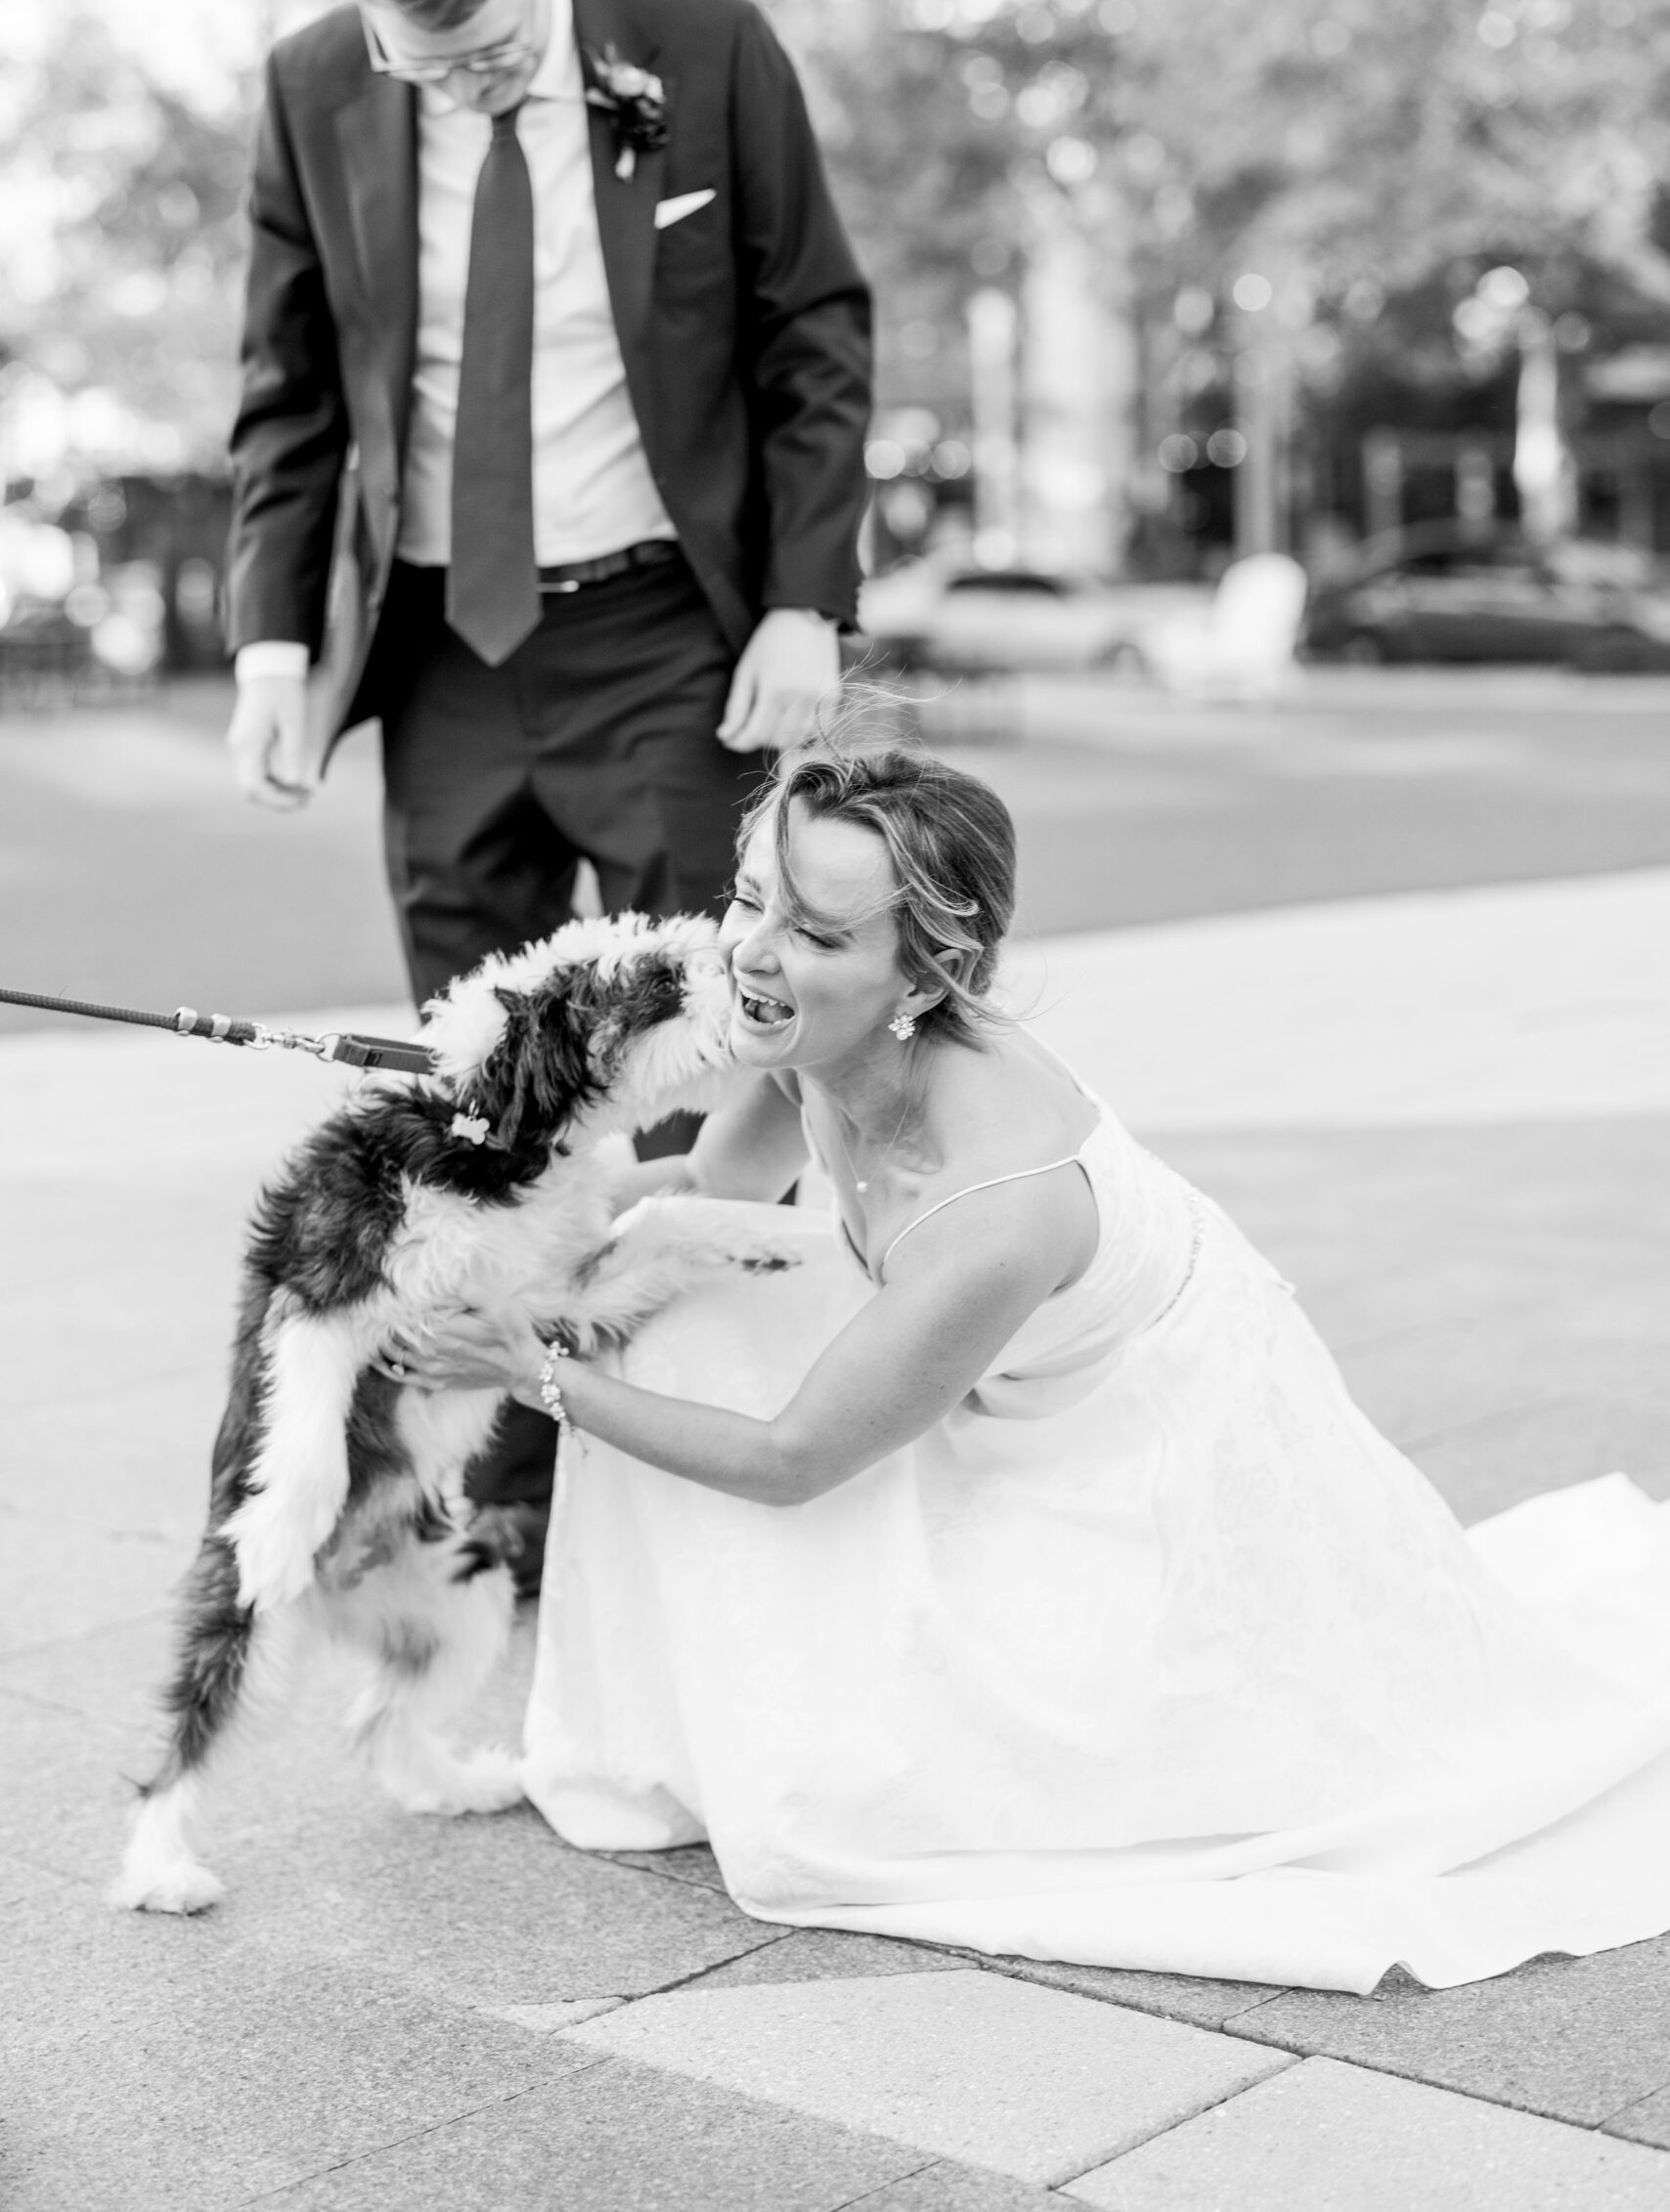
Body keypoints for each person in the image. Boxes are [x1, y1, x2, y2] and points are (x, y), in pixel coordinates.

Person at [395, 729, 1670, 1996]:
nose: (753, 952)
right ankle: (667, 1728)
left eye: (820, 935)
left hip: (1151, 1478)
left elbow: (793, 1461)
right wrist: (512, 1199)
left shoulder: (998, 1201)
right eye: (748, 899)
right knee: (664, 1284)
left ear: (922, 976)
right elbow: (712, 1186)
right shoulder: (803, 1035)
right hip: (999, 1383)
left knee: (658, 1385)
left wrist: (532, 1370)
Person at [222, 0, 870, 1573]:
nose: (461, 85)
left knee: (714, 1033)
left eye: (496, 54)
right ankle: (517, 1503)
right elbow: (289, 392)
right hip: (437, 648)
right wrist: (278, 642)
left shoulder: (710, 47)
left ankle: (735, 1447)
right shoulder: (305, 90)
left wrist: (807, 602)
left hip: (669, 630)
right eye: (421, 67)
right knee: (477, 1093)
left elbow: (812, 332)